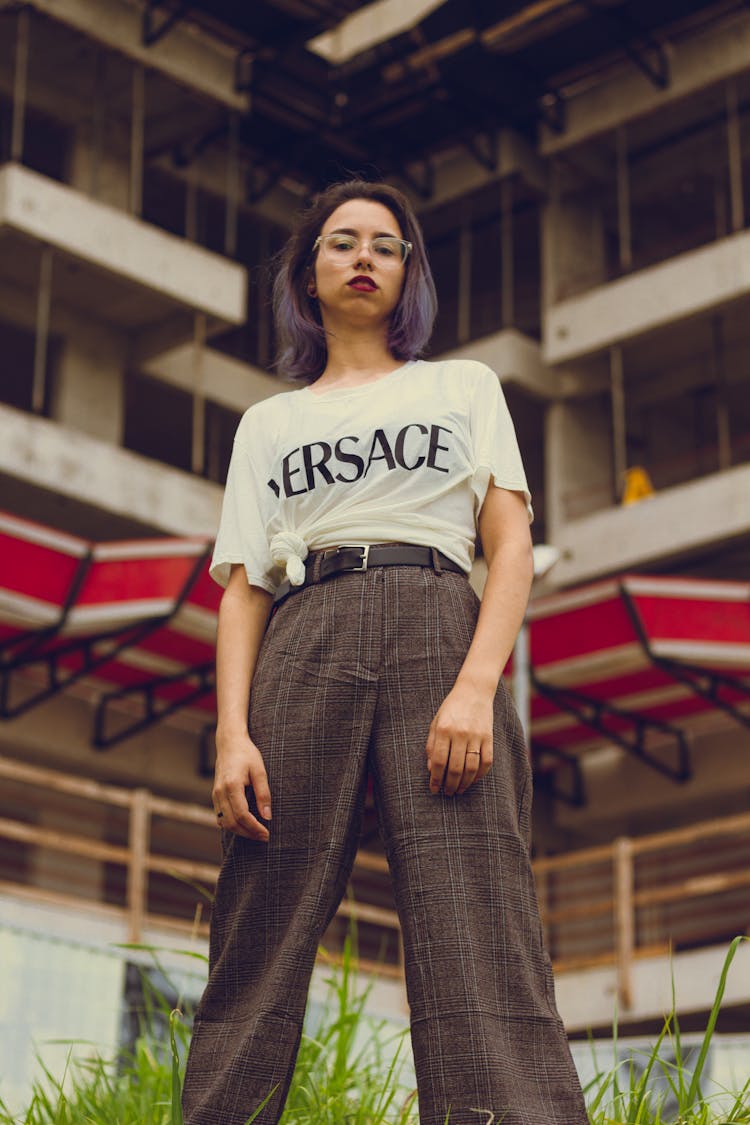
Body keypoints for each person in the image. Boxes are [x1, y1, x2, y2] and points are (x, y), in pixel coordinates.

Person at [181, 179, 589, 1125]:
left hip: (439, 620)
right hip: (306, 629)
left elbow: (512, 545)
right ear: (307, 273)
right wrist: (231, 732)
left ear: (409, 274)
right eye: (341, 242)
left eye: (386, 245)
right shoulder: (267, 425)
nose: (363, 256)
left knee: (474, 904)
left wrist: (475, 687)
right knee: (262, 915)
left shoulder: (463, 386)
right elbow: (244, 589)